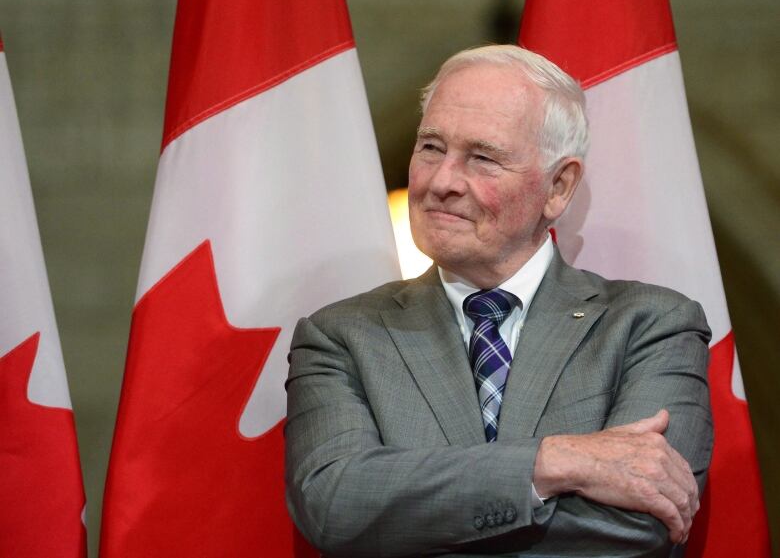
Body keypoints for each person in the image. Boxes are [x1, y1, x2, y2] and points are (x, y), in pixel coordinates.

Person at [285, 45, 712, 557]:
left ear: (558, 187)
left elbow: (638, 526)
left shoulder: (650, 326)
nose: (442, 182)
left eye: (482, 158)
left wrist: (417, 520)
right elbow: (337, 506)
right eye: (431, 148)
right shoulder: (340, 336)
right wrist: (552, 463)